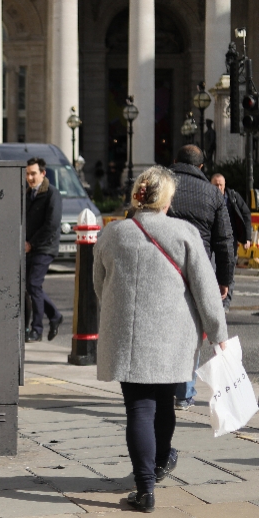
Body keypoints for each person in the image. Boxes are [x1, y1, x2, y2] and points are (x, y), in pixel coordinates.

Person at [94, 166, 228, 512]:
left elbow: (100, 286)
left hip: (128, 337)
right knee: (165, 403)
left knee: (139, 408)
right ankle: (159, 462)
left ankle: (145, 488)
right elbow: (206, 289)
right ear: (167, 199)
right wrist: (218, 333)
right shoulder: (184, 233)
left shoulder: (113, 234)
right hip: (172, 337)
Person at [168, 145, 233, 410]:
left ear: (174, 162)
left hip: (161, 266)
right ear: (202, 167)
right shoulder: (212, 194)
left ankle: (162, 387)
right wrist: (224, 280)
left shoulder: (160, 185)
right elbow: (225, 242)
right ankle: (184, 393)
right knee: (192, 330)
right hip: (198, 270)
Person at [24, 157, 63, 343]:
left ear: (43, 173)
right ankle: (54, 316)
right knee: (30, 286)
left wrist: (32, 243)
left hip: (45, 247)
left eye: (33, 174)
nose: (30, 178)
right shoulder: (27, 194)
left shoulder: (52, 194)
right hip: (29, 247)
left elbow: (52, 224)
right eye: (27, 174)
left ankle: (36, 329)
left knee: (33, 284)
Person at [211, 173, 252, 312]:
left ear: (224, 185)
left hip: (230, 240)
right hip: (211, 241)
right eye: (215, 184)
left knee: (229, 272)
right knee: (211, 270)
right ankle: (214, 301)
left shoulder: (232, 197)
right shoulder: (207, 197)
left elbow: (246, 213)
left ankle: (225, 304)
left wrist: (247, 237)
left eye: (220, 184)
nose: (218, 187)